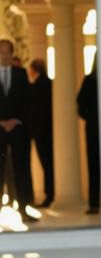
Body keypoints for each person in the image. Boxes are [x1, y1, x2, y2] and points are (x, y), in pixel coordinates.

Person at [0, 39, 32, 213]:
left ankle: (24, 208)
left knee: (21, 168)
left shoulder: (21, 73)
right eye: (1, 52)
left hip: (17, 128)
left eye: (7, 52)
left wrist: (15, 120)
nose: (4, 56)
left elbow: (27, 101)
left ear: (12, 54)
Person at [26, 59, 53, 208]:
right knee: (48, 163)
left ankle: (50, 194)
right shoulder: (47, 83)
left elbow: (37, 110)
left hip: (41, 131)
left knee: (47, 163)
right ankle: (49, 194)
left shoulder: (38, 85)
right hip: (44, 130)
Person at [76, 66, 100, 213]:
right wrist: (92, 118)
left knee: (95, 165)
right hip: (94, 129)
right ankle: (94, 203)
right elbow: (80, 104)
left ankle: (95, 203)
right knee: (94, 165)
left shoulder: (91, 80)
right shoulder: (90, 80)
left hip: (96, 129)